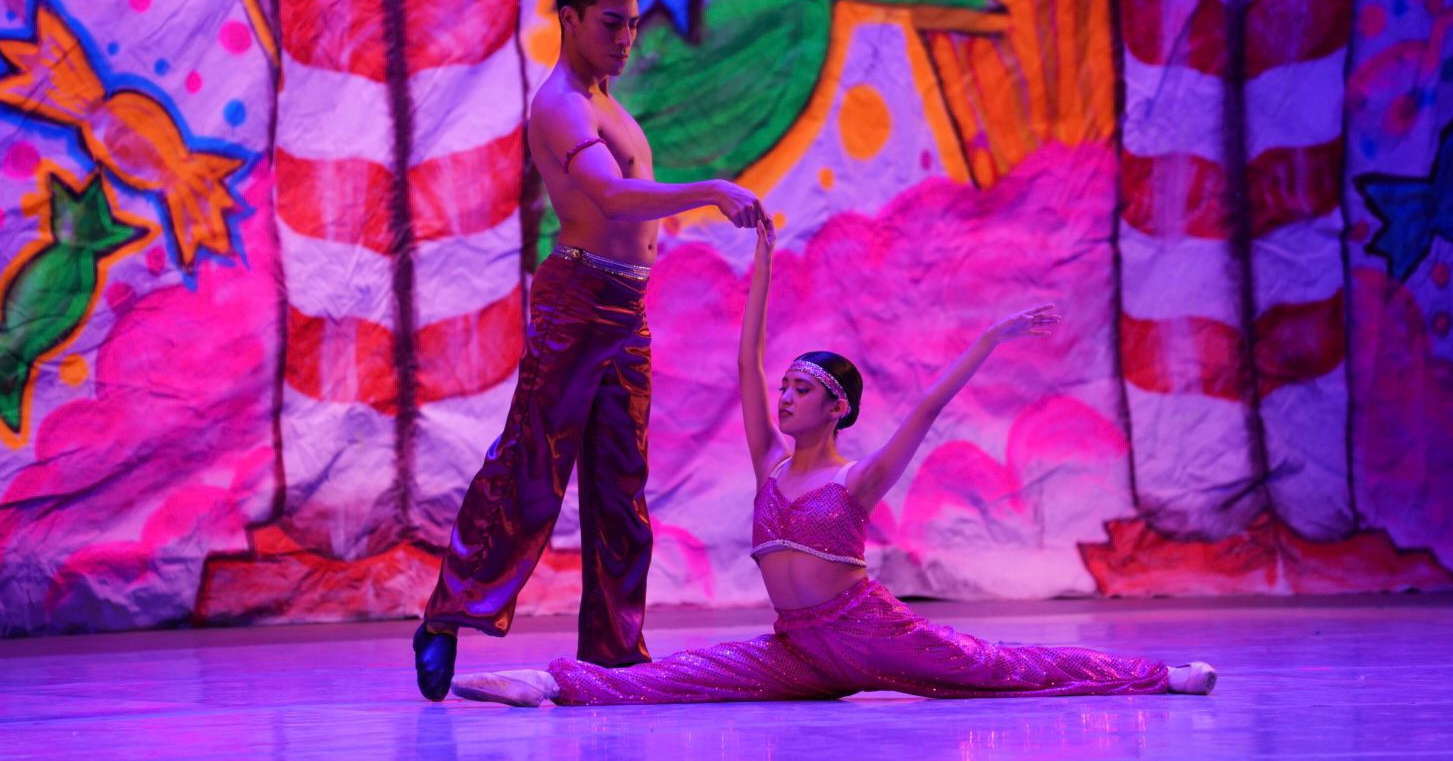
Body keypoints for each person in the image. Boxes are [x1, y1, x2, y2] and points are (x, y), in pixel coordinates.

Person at [448, 221, 1219, 706]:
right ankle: (547, 683)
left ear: (838, 407)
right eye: (785, 387)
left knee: (997, 668)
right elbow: (747, 358)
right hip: (797, 646)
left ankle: (1160, 677)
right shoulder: (767, 466)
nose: (784, 397)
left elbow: (925, 412)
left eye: (802, 389)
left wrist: (988, 340)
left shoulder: (856, 478)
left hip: (869, 629)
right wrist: (763, 254)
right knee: (682, 678)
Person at [413, 0, 769, 701]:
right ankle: (448, 614)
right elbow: (608, 195)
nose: (626, 37)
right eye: (611, 22)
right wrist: (709, 190)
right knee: (532, 464)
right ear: (570, 18)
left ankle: (613, 649)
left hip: (625, 305)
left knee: (621, 480)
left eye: (633, 23)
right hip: (577, 298)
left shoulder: (607, 102)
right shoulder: (561, 105)